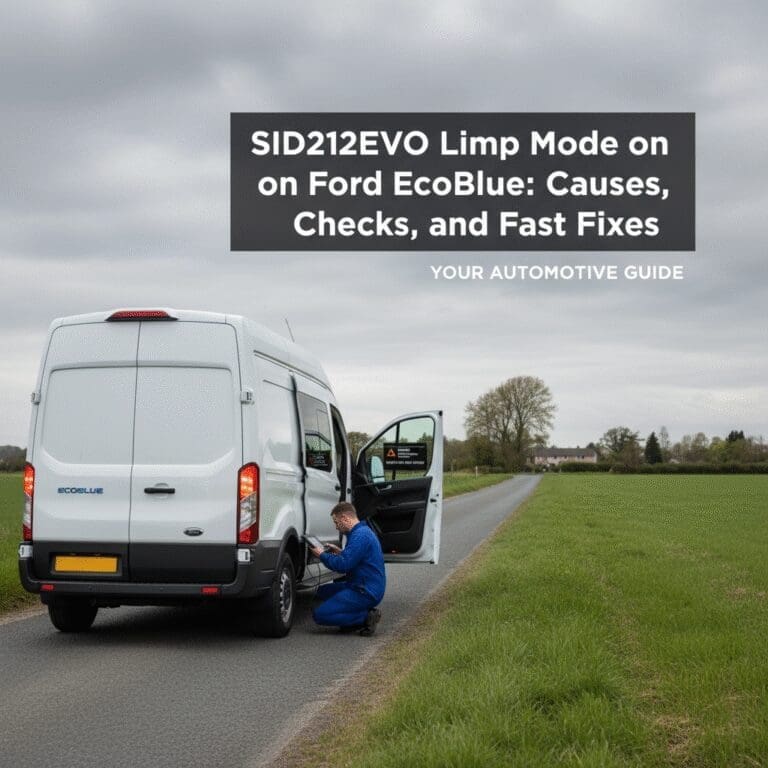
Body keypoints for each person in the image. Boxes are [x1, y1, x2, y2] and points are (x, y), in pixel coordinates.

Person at [310, 501, 385, 636]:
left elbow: (343, 565)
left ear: (345, 518)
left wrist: (321, 555)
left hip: (365, 590)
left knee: (319, 615)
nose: (336, 527)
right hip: (360, 584)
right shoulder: (361, 532)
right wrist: (339, 552)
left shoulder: (360, 536)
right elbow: (356, 558)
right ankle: (349, 618)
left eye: (336, 522)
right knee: (322, 592)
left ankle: (366, 617)